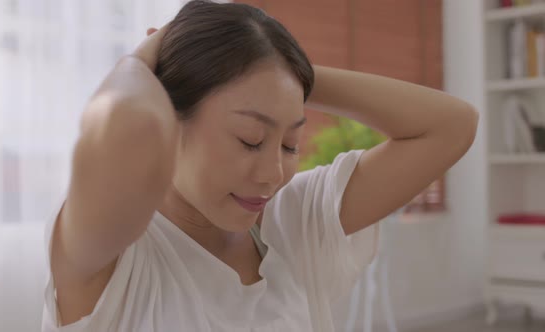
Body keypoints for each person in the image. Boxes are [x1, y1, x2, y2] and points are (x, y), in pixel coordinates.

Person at [41, 1, 478, 331]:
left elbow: (452, 125)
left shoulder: (292, 223)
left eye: (289, 144)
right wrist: (140, 61)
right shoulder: (113, 256)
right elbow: (122, 128)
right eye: (250, 140)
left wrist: (281, 69)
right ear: (170, 118)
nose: (273, 174)